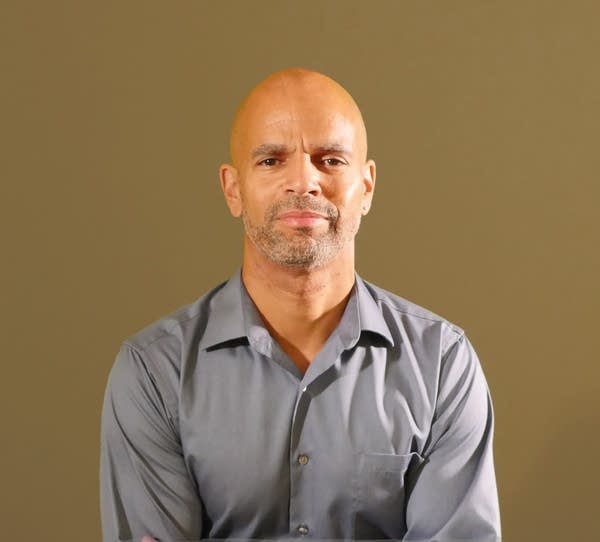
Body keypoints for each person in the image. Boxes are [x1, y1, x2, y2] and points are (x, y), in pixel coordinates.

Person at [100, 68, 501, 542]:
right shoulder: (155, 372)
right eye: (271, 161)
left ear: (367, 187)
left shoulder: (441, 365)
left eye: (330, 160)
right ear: (233, 189)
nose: (304, 181)